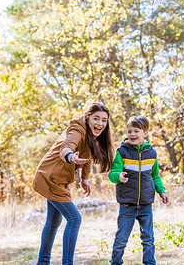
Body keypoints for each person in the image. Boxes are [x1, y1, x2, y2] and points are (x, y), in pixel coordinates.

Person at [32, 102, 114, 265]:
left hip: (59, 179)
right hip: (50, 177)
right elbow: (66, 147)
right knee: (74, 219)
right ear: (87, 118)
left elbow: (88, 156)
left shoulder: (92, 135)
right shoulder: (77, 129)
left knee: (54, 221)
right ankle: (66, 263)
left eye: (104, 120)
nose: (100, 123)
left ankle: (42, 262)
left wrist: (84, 178)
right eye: (96, 118)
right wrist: (71, 157)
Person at [108, 115, 169, 265]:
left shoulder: (152, 154)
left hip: (146, 205)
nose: (132, 134)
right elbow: (112, 174)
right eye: (129, 131)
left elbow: (155, 176)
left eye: (136, 131)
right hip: (127, 205)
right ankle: (115, 262)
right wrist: (119, 176)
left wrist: (162, 191)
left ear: (145, 133)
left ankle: (149, 263)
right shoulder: (122, 152)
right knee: (121, 238)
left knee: (148, 239)